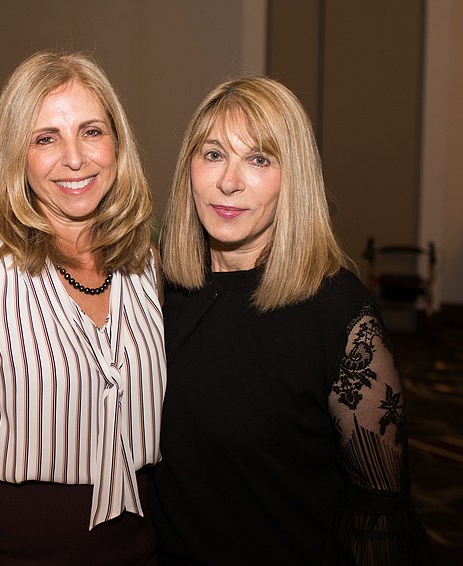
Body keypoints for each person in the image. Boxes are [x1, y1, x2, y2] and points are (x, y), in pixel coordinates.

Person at [151, 75, 432, 564]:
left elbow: (378, 513)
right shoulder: (155, 290)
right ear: (189, 168)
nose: (229, 181)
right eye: (213, 154)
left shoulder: (338, 314)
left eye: (258, 159)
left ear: (293, 176)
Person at [0, 50, 166, 565]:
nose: (76, 158)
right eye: (46, 138)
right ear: (17, 155)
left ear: (117, 143)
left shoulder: (148, 264)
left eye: (91, 131)